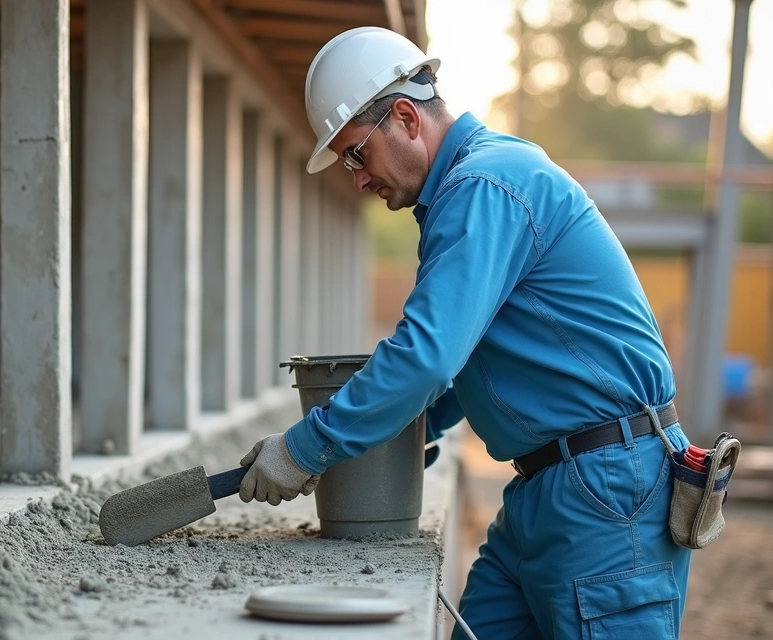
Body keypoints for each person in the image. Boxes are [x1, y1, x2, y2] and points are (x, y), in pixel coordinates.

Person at [237, 26, 692, 639]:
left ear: (405, 117)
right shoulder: (470, 188)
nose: (358, 180)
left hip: (607, 495)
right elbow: (475, 359)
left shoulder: (485, 186)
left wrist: (306, 448)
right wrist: (407, 439)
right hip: (552, 486)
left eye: (355, 155)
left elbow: (426, 356)